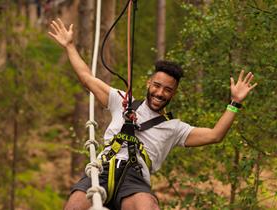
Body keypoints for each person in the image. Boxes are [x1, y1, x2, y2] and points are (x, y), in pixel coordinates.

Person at [48, 18, 257, 210]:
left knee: (148, 208)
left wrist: (235, 102)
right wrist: (70, 46)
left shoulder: (175, 128)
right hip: (104, 168)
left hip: (134, 179)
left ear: (174, 93)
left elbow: (215, 135)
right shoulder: (122, 101)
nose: (160, 93)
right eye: (157, 86)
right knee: (74, 206)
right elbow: (86, 78)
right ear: (149, 83)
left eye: (167, 90)